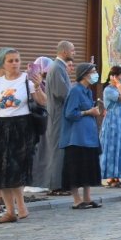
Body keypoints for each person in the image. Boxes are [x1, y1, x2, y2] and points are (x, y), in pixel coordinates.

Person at [0, 48, 47, 223]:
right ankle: (10, 211)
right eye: (10, 61)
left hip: (21, 126)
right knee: (0, 169)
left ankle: (20, 207)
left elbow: (43, 102)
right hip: (1, 126)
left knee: (15, 167)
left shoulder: (27, 80)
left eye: (17, 60)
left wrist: (38, 87)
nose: (14, 64)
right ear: (3, 64)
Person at [60, 62, 104, 209]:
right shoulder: (75, 91)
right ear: (85, 74)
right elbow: (69, 113)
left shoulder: (88, 91)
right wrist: (88, 112)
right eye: (93, 71)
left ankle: (87, 197)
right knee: (75, 169)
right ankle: (77, 200)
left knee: (88, 168)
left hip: (89, 137)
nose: (95, 74)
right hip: (76, 138)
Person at [42, 40, 75, 195]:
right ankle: (56, 185)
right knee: (57, 149)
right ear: (64, 52)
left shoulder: (59, 67)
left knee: (62, 149)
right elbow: (62, 92)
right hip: (57, 114)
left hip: (61, 114)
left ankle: (61, 183)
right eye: (72, 50)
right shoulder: (56, 68)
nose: (74, 53)